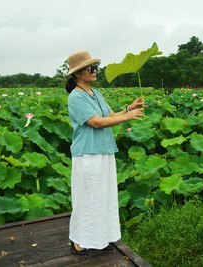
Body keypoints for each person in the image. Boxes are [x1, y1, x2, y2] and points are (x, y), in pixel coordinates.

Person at [65, 50, 144, 255]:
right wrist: (128, 117)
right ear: (77, 73)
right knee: (87, 197)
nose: (94, 71)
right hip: (88, 154)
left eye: (95, 67)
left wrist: (128, 108)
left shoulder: (95, 93)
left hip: (104, 152)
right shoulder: (76, 97)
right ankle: (80, 239)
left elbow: (109, 115)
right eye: (90, 67)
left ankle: (100, 237)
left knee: (103, 197)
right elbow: (97, 122)